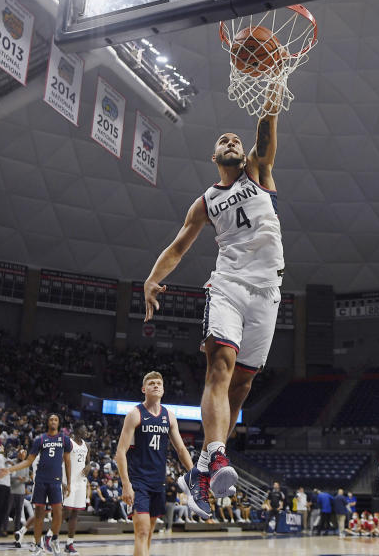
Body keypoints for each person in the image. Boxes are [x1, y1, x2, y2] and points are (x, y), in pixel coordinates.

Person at [143, 89, 286, 517]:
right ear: (213, 157)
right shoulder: (206, 201)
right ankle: (219, 453)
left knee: (242, 385)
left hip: (268, 293)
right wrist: (152, 278)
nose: (231, 142)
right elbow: (178, 246)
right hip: (226, 285)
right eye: (223, 141)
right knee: (220, 364)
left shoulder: (258, 171)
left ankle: (202, 467)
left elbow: (264, 135)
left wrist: (271, 96)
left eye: (235, 141)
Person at [115, 371, 195, 556]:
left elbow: (181, 450)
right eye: (151, 383)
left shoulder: (169, 416)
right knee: (141, 531)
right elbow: (120, 452)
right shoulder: (135, 414)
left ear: (163, 389)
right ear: (144, 389)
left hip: (158, 482)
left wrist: (193, 473)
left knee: (149, 533)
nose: (156, 386)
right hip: (138, 481)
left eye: (159, 383)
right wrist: (126, 484)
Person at [0, 413, 72, 554]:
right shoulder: (40, 440)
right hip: (40, 481)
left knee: (58, 513)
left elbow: (68, 462)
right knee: (39, 514)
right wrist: (10, 469)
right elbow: (28, 461)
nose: (53, 421)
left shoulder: (65, 439)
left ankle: (54, 539)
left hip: (56, 481)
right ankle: (38, 545)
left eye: (55, 419)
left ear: (59, 423)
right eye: (51, 419)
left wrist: (68, 482)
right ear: (47, 422)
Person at [59, 424, 91, 553]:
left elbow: (88, 462)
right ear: (78, 430)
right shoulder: (69, 443)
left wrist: (88, 466)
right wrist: (62, 482)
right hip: (69, 481)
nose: (87, 431)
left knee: (75, 513)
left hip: (81, 482)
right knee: (66, 512)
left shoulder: (87, 445)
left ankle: (69, 544)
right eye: (85, 429)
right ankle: (49, 536)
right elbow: (60, 462)